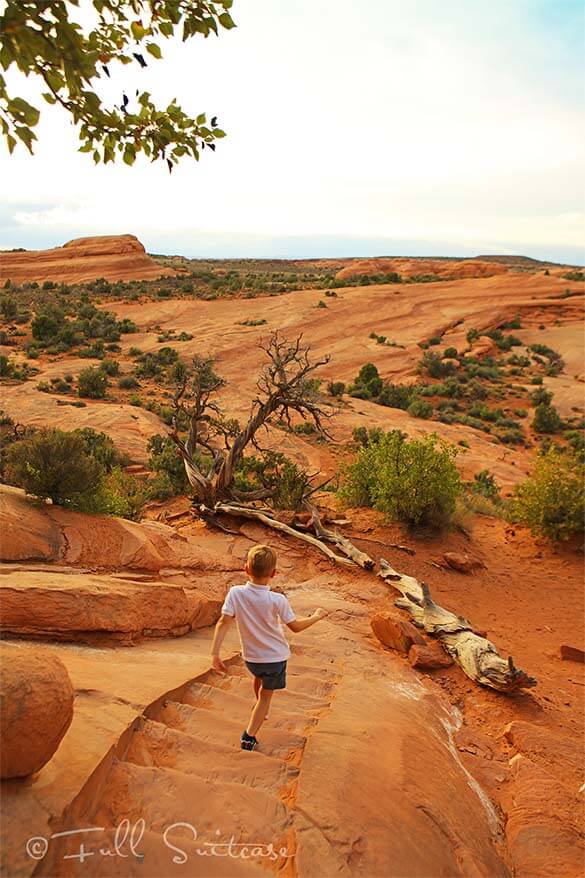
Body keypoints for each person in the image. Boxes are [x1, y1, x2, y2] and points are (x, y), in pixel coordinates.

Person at [211, 544, 328, 751]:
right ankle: (249, 736)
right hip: (274, 659)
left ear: (246, 569)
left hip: (251, 659)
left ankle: (259, 707)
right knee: (267, 696)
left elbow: (223, 621)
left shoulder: (235, 593)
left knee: (259, 678)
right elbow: (295, 627)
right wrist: (316, 617)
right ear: (274, 573)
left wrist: (215, 653)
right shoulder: (277, 600)